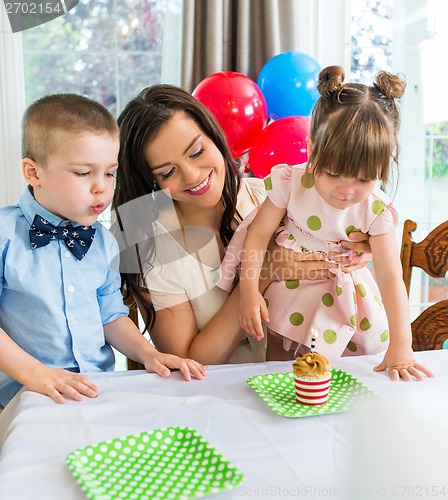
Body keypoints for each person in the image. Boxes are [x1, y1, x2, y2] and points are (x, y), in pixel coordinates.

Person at [112, 84, 372, 366]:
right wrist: (261, 275)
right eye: (168, 172)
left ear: (214, 136)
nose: (192, 175)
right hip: (217, 398)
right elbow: (186, 363)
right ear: (151, 180)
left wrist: (359, 248)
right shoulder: (152, 247)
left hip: (302, 382)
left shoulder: (269, 197)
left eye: (197, 152)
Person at [0, 94, 206, 411]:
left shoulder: (103, 241)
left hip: (94, 392)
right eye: (84, 173)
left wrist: (148, 353)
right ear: (33, 172)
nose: (102, 188)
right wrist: (36, 374)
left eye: (109, 173)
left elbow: (110, 316)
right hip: (23, 399)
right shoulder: (4, 236)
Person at [231, 65, 433, 381]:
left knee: (345, 373)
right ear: (312, 150)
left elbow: (391, 276)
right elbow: (257, 235)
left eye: (364, 179)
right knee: (278, 368)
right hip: (290, 286)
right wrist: (248, 291)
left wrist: (402, 344)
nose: (346, 190)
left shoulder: (375, 209)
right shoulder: (291, 182)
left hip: (344, 298)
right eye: (333, 173)